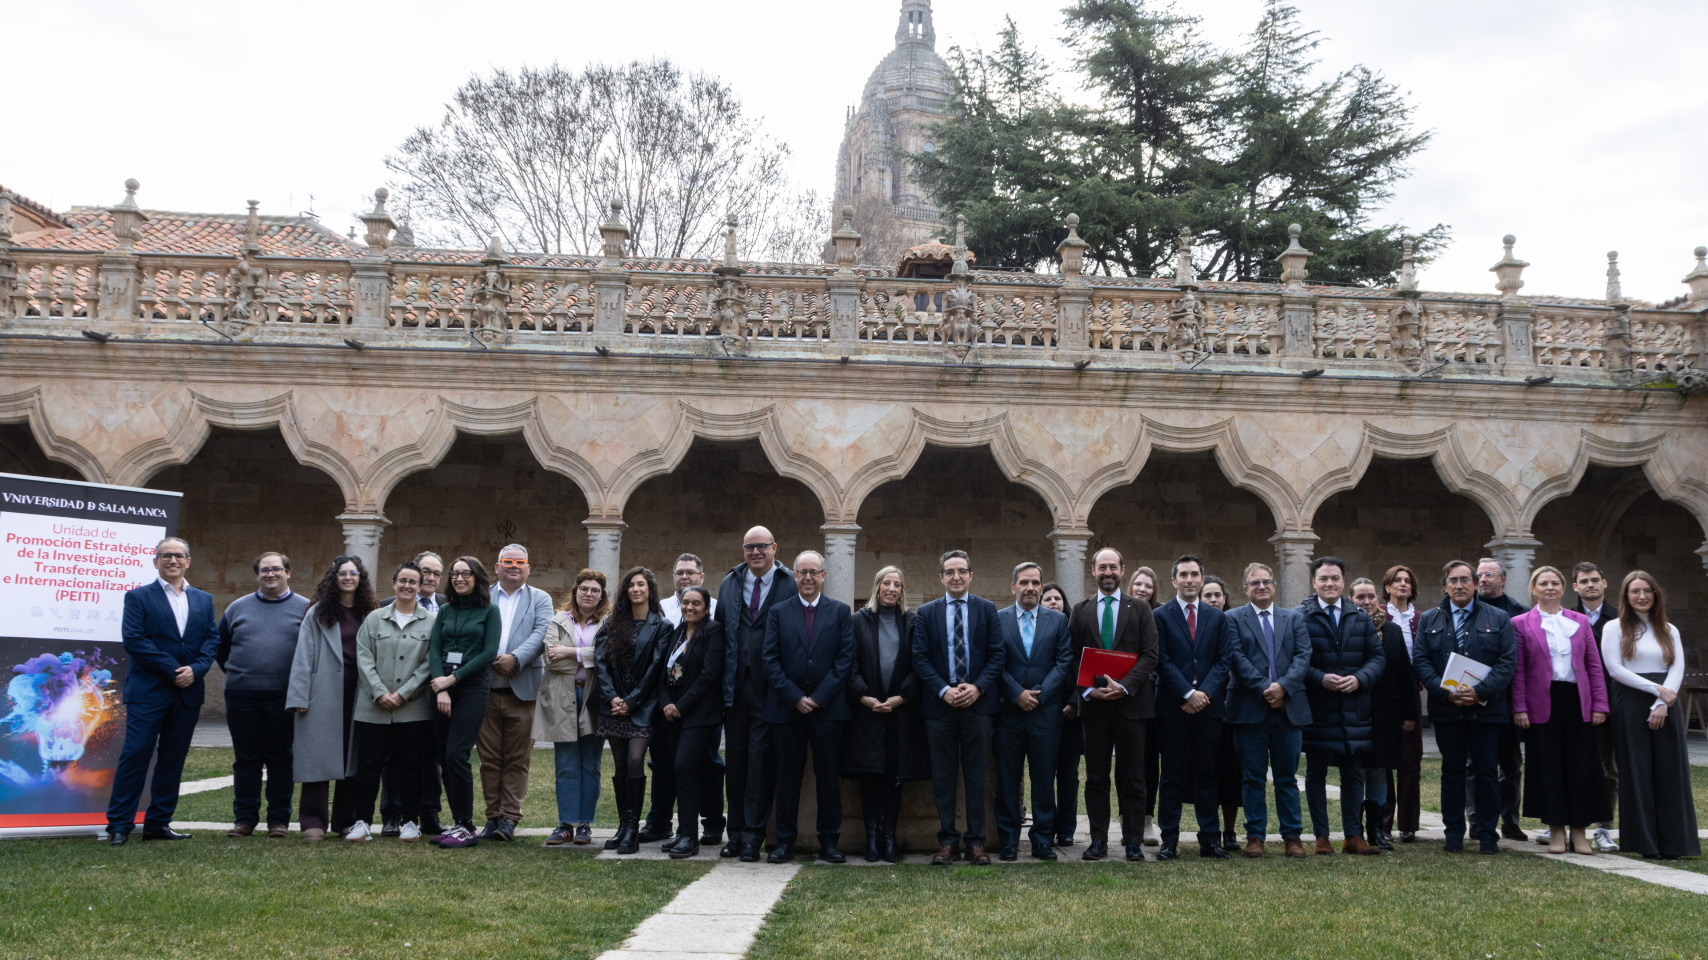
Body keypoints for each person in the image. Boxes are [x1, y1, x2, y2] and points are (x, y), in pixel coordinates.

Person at [105, 537, 219, 845]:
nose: (172, 560)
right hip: (149, 691)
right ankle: (119, 825)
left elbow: (211, 639)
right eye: (165, 556)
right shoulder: (139, 597)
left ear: (188, 561)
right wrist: (174, 671)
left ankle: (158, 823)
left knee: (173, 759)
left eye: (178, 556)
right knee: (136, 754)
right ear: (156, 561)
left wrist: (196, 670)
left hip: (187, 693)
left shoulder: (203, 599)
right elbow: (135, 640)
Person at [757, 551, 856, 864]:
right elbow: (769, 660)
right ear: (795, 576)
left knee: (828, 778)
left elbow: (845, 659)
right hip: (787, 710)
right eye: (802, 572)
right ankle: (785, 842)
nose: (808, 578)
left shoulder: (841, 612)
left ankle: (829, 842)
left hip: (829, 711)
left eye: (814, 572)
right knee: (787, 778)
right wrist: (795, 696)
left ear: (824, 575)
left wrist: (819, 697)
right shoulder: (777, 612)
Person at [1413, 559, 1517, 854]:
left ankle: (1487, 834)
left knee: (1486, 771)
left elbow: (1508, 662)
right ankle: (1454, 834)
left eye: (1464, 580)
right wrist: (1446, 692)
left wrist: (1480, 691)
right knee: (1452, 771)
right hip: (1448, 709)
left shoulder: (1498, 618)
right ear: (1445, 586)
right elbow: (1421, 660)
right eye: (1453, 581)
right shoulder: (1430, 619)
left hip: (1486, 709)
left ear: (1475, 584)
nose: (1459, 585)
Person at [912, 549, 1006, 866]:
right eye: (949, 572)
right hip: (940, 707)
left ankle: (976, 843)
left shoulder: (987, 609)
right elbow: (920, 658)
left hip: (978, 706)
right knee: (943, 776)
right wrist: (943, 690)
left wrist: (977, 688)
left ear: (970, 576)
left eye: (962, 571)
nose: (956, 577)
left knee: (977, 775)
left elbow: (997, 655)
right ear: (941, 577)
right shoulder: (925, 613)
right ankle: (948, 842)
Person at [1511, 566, 1610, 854]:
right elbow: (1518, 671)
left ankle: (1579, 832)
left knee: (1582, 767)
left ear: (1564, 588)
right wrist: (1520, 707)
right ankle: (1556, 830)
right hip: (1541, 702)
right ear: (1534, 589)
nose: (1550, 587)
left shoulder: (1579, 621)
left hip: (1578, 701)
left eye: (1555, 583)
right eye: (1544, 583)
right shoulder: (1520, 623)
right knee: (1548, 767)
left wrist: (1600, 705)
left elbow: (1594, 665)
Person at [1069, 548, 1159, 862]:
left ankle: (1132, 841)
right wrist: (1087, 692)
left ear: (1122, 569)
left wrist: (1125, 686)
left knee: (1134, 775)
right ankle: (1098, 841)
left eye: (1113, 567)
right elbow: (1072, 658)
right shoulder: (1080, 610)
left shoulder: (1140, 609)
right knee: (1096, 776)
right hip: (1094, 707)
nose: (1107, 572)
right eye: (1101, 567)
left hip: (1131, 706)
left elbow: (1150, 655)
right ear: (1092, 571)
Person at [1601, 571, 1699, 860]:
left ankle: (1674, 843)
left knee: (1671, 772)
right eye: (1635, 591)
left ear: (1656, 595)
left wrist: (1661, 702)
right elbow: (1615, 669)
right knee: (1636, 771)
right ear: (1626, 596)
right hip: (1630, 700)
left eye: (1647, 591)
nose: (1641, 596)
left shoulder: (1669, 629)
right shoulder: (1614, 628)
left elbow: (1677, 668)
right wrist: (1655, 690)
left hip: (1666, 702)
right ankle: (1646, 844)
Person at [714, 527, 798, 858]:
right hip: (735, 687)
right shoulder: (730, 583)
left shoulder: (788, 583)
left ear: (775, 548)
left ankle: (753, 835)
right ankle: (733, 833)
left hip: (770, 688)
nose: (756, 552)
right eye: (750, 547)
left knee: (760, 763)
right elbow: (721, 634)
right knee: (735, 762)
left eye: (762, 546)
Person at [216, 551, 309, 838]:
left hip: (285, 697)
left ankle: (278, 821)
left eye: (277, 569)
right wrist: (243, 674)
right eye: (265, 570)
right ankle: (244, 820)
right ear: (257, 575)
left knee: (282, 758)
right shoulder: (237, 608)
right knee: (247, 759)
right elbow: (221, 649)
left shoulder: (306, 609)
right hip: (242, 695)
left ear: (288, 572)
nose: (271, 574)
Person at [1223, 562, 1312, 858]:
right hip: (1250, 708)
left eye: (1266, 581)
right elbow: (1236, 657)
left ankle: (1292, 838)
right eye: (1255, 582)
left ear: (1274, 586)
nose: (1261, 586)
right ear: (1245, 588)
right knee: (1252, 777)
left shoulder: (1294, 618)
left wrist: (1283, 686)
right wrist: (1266, 688)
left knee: (1287, 777)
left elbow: (1303, 656)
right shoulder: (1233, 618)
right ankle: (1255, 837)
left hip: (1288, 708)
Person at [345, 561, 436, 843]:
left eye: (413, 581)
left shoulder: (432, 622)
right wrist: (379, 691)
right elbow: (363, 657)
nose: (407, 585)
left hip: (413, 708)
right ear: (394, 584)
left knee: (411, 765)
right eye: (402, 580)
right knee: (369, 765)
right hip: (373, 707)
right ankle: (361, 822)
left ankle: (410, 821)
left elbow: (429, 663)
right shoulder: (374, 619)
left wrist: (403, 693)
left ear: (421, 587)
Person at [841, 565, 927, 863]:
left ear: (902, 590)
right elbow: (847, 664)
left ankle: (889, 837)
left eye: (897, 584)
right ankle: (871, 839)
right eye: (886, 583)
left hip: (900, 713)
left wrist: (899, 698)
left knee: (893, 774)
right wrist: (865, 697)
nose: (892, 588)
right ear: (877, 587)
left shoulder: (912, 622)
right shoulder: (857, 621)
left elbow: (920, 666)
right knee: (869, 775)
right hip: (866, 712)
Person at [1298, 557, 1384, 855]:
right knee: (1316, 773)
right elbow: (1296, 660)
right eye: (1323, 578)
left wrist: (1359, 679)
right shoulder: (1300, 616)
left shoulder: (1360, 617)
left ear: (1343, 582)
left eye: (1335, 578)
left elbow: (1377, 658)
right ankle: (1321, 837)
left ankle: (1352, 835)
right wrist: (1319, 678)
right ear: (1314, 582)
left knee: (1351, 773)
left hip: (1353, 707)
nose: (1329, 583)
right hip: (1317, 706)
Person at [287, 555, 376, 841]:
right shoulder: (317, 613)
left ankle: (345, 821)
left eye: (353, 573)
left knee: (353, 758)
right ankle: (312, 821)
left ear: (360, 578)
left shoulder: (369, 614)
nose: (348, 578)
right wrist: (299, 695)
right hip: (322, 691)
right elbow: (302, 656)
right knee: (317, 756)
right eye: (342, 573)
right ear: (333, 579)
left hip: (359, 691)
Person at [1153, 555, 1235, 860]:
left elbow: (1223, 660)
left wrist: (1203, 694)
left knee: (1207, 774)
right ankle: (1169, 840)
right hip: (1172, 707)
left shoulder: (1218, 618)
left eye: (1195, 574)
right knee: (1172, 774)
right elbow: (1161, 660)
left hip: (1208, 708)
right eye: (1183, 575)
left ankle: (1209, 840)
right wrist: (1187, 693)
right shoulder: (1160, 616)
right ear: (1174, 581)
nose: (1190, 579)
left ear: (1202, 580)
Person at [994, 561, 1073, 862]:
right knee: (1007, 781)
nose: (1030, 588)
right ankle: (1008, 840)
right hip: (1009, 714)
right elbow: (994, 662)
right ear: (1013, 586)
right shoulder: (997, 619)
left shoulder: (1057, 621)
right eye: (1024, 582)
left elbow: (1063, 662)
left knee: (1043, 780)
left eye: (1035, 583)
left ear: (1042, 587)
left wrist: (1039, 695)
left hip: (1045, 714)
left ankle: (1042, 839)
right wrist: (1016, 693)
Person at [646, 552, 724, 847]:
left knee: (689, 767)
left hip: (699, 714)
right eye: (686, 603)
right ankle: (683, 832)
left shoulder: (714, 632)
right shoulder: (676, 631)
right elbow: (664, 670)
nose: (690, 607)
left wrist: (680, 705)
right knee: (677, 768)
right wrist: (666, 701)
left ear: (706, 608)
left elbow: (708, 676)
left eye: (696, 604)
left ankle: (692, 833)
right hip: (672, 714)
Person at [475, 544, 552, 842]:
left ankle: (509, 818)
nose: (513, 566)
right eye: (507, 561)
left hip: (524, 690)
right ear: (496, 567)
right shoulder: (482, 597)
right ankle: (492, 817)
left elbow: (541, 634)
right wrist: (492, 657)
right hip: (486, 688)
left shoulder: (540, 599)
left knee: (518, 759)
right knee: (490, 759)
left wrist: (516, 658)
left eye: (520, 562)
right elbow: (475, 632)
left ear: (528, 568)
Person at [426, 557, 501, 849]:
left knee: (457, 753)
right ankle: (457, 823)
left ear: (477, 578)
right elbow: (434, 651)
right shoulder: (445, 610)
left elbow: (488, 653)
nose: (459, 578)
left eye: (465, 574)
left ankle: (466, 826)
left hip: (471, 688)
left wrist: (452, 680)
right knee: (444, 757)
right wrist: (440, 687)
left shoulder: (489, 611)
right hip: (442, 688)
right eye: (455, 574)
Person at [597, 567, 669, 855]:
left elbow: (656, 668)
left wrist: (633, 700)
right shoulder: (612, 623)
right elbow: (601, 662)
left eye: (641, 584)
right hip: (612, 705)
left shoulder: (662, 625)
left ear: (650, 590)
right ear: (625, 590)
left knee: (636, 759)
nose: (636, 589)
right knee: (619, 765)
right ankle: (624, 825)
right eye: (631, 585)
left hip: (643, 706)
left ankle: (633, 829)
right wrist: (613, 697)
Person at [539, 569, 608, 847]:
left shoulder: (608, 623)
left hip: (594, 696)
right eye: (584, 589)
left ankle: (584, 825)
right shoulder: (558, 619)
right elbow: (550, 658)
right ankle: (565, 823)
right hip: (562, 696)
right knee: (566, 762)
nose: (588, 594)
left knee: (590, 763)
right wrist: (587, 657)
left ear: (602, 596)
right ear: (575, 592)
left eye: (595, 590)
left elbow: (608, 656)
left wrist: (569, 652)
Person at [380, 551, 447, 837]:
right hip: (397, 693)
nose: (430, 577)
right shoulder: (385, 607)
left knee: (431, 757)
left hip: (434, 692)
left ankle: (429, 814)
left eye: (435, 573)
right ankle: (392, 815)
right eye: (425, 571)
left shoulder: (447, 607)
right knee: (394, 756)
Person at [1351, 578, 1418, 852]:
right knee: (1354, 771)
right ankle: (1353, 830)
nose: (1366, 602)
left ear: (1377, 598)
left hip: (1386, 712)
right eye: (1359, 598)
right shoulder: (1345, 628)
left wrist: (1410, 713)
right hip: (1353, 709)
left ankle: (1376, 830)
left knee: (1379, 770)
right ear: (1351, 600)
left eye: (1370, 597)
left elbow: (1404, 672)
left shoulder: (1391, 630)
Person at [1474, 558, 1529, 842]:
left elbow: (1519, 661)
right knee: (1476, 765)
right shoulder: (1466, 611)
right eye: (1480, 574)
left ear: (1503, 580)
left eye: (1489, 575)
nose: (1483, 579)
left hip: (1507, 701)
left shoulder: (1519, 613)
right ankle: (1475, 820)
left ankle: (1510, 820)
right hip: (1474, 699)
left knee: (1511, 765)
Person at [1572, 561, 1621, 852]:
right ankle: (1568, 822)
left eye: (1595, 579)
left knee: (1607, 769)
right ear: (1575, 587)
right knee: (1572, 765)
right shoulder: (1566, 618)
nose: (1590, 584)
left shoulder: (1620, 618)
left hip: (1610, 703)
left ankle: (1604, 827)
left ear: (1604, 583)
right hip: (1573, 702)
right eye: (1584, 581)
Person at [1380, 563, 1425, 843]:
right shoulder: (1376, 616)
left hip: (1412, 692)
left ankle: (1408, 825)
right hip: (1384, 696)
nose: (1402, 585)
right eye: (1397, 580)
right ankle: (1383, 824)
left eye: (1407, 580)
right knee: (1383, 761)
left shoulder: (1422, 618)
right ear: (1387, 586)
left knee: (1410, 762)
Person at [1040, 583, 1083, 848]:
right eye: (1048, 599)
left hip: (1070, 717)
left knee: (1068, 775)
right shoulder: (1038, 631)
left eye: (1057, 598)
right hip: (1043, 713)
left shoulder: (1075, 632)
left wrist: (1075, 702)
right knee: (1043, 773)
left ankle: (1066, 828)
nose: (1053, 602)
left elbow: (1083, 667)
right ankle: (1047, 825)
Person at [1129, 564, 1162, 846]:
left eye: (1148, 586)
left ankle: (1147, 820)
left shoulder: (1160, 615)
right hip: (1123, 697)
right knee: (1129, 763)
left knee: (1150, 761)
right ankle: (1128, 819)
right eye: (1138, 584)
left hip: (1154, 698)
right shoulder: (1120, 613)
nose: (1142, 589)